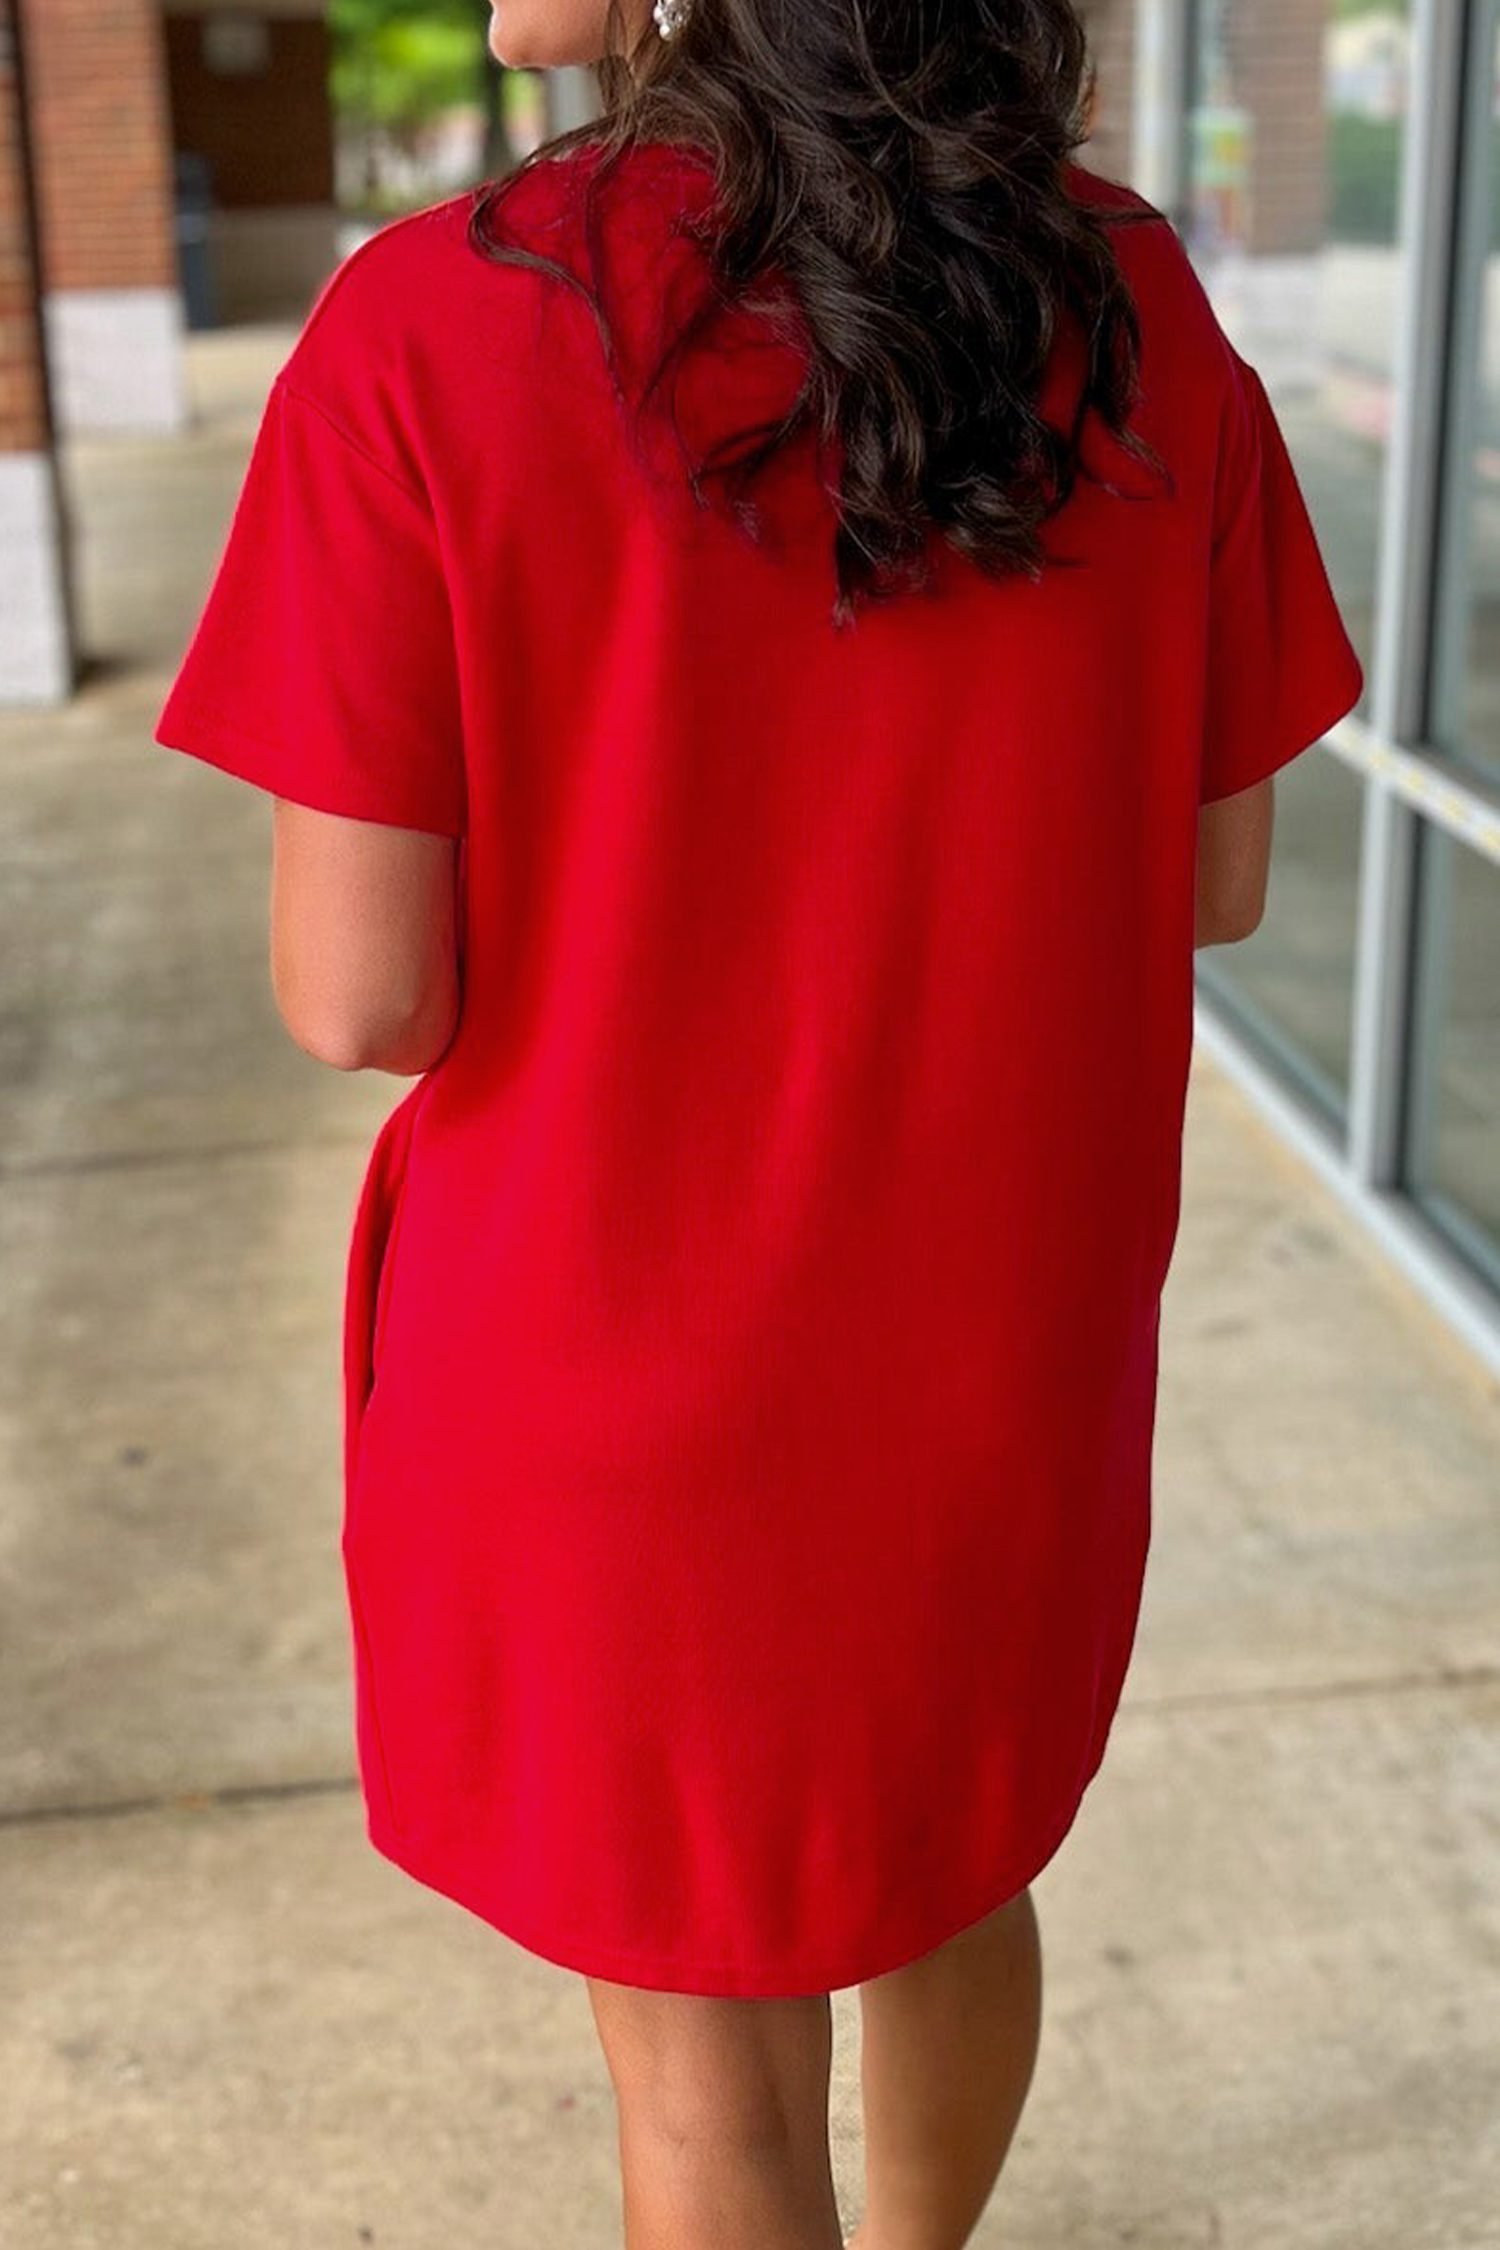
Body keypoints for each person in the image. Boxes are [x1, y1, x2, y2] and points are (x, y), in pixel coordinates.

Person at [152, 1, 1363, 2244]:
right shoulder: (1125, 297)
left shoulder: (433, 330)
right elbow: (1213, 877)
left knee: (708, 2067)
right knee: (955, 1871)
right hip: (999, 1349)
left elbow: (361, 993)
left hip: (610, 1365)